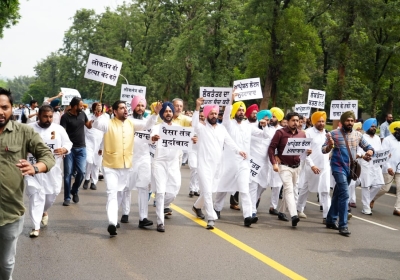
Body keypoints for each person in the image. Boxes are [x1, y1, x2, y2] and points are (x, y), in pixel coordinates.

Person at [0, 88, 55, 280]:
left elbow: (47, 156)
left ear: (10, 109)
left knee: (5, 264)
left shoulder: (23, 132)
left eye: (4, 107)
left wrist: (36, 167)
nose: (0, 111)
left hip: (9, 212)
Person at [92, 100, 160, 236]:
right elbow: (96, 124)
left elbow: (147, 124)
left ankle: (115, 218)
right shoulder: (108, 123)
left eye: (126, 108)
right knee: (111, 192)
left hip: (125, 166)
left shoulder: (131, 123)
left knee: (119, 191)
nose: (125, 110)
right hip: (110, 165)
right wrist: (97, 115)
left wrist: (155, 114)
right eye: (122, 108)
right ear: (115, 111)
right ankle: (112, 222)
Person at [214, 94, 270, 227]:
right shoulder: (228, 123)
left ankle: (248, 216)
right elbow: (227, 113)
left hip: (244, 164)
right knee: (223, 187)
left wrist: (265, 125)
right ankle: (216, 208)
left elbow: (265, 136)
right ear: (234, 111)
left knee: (244, 189)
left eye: (243, 110)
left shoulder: (249, 126)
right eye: (239, 110)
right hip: (229, 162)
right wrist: (231, 99)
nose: (241, 112)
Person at [192, 99, 246, 229]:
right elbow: (194, 124)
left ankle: (196, 206)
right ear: (206, 115)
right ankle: (211, 217)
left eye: (216, 113)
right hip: (204, 165)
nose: (214, 116)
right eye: (211, 113)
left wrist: (239, 151)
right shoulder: (201, 127)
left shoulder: (222, 129)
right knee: (207, 191)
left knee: (210, 190)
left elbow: (229, 142)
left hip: (217, 166)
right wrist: (198, 107)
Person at [322, 111, 374, 236]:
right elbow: (323, 150)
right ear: (342, 121)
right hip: (338, 167)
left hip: (351, 169)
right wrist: (329, 146)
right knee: (345, 194)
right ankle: (343, 225)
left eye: (352, 121)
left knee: (338, 194)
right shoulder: (333, 134)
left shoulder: (358, 135)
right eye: (347, 120)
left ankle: (330, 220)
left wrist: (370, 152)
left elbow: (370, 147)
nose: (350, 123)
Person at [25, 105, 72, 237]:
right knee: (36, 196)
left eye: (50, 116)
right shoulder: (29, 128)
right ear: (38, 115)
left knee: (51, 197)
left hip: (53, 171)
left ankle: (44, 211)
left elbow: (69, 143)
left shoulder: (59, 129)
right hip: (33, 169)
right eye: (45, 116)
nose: (48, 119)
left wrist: (64, 149)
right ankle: (35, 227)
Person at [118, 96, 158, 228]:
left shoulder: (149, 121)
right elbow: (146, 126)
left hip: (144, 158)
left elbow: (152, 138)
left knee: (143, 187)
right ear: (133, 106)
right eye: (138, 105)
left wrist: (154, 139)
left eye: (142, 105)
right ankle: (125, 212)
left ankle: (143, 217)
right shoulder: (127, 121)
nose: (140, 108)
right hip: (129, 158)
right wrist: (155, 115)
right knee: (126, 187)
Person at [268, 112, 311, 227]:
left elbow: (303, 151)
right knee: (289, 189)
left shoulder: (302, 134)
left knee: (290, 190)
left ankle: (281, 212)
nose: (295, 123)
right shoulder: (280, 133)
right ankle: (294, 215)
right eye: (293, 120)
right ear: (287, 121)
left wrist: (307, 151)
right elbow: (271, 149)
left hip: (297, 167)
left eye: (297, 120)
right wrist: (274, 163)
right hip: (284, 166)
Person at [150, 102, 183, 232]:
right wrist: (153, 138)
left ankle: (162, 205)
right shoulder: (156, 127)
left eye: (170, 111)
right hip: (159, 163)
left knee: (174, 190)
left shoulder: (178, 128)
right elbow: (150, 140)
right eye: (166, 111)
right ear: (162, 113)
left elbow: (186, 143)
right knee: (160, 191)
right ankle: (160, 222)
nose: (168, 113)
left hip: (173, 163)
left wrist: (193, 140)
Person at [296, 112, 331, 224]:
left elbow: (329, 149)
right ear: (314, 121)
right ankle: (298, 208)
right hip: (311, 166)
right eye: (319, 121)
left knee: (325, 191)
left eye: (323, 121)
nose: (321, 123)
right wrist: (312, 165)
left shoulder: (327, 134)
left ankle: (327, 216)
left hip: (325, 167)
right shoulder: (308, 133)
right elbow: (305, 151)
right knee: (306, 188)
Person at [60, 97, 93, 206]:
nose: (83, 107)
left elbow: (88, 125)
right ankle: (67, 198)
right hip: (69, 150)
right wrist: (63, 148)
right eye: (80, 105)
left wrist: (93, 121)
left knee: (81, 172)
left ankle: (74, 190)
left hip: (82, 148)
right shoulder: (65, 117)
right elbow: (62, 133)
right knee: (68, 174)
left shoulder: (83, 114)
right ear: (74, 106)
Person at [371, 121, 400, 216]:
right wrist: (388, 167)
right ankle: (371, 198)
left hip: (399, 169)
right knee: (385, 188)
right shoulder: (387, 140)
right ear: (395, 131)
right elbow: (384, 155)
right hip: (389, 169)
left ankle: (397, 208)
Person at [248, 110, 273, 218]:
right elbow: (262, 134)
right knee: (252, 186)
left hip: (265, 164)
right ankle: (252, 210)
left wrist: (265, 126)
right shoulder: (252, 128)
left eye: (267, 120)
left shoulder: (271, 131)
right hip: (253, 162)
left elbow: (267, 136)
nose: (265, 121)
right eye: (263, 119)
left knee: (262, 185)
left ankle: (253, 202)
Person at [356, 118, 383, 215]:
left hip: (376, 165)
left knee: (379, 184)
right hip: (365, 164)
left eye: (375, 126)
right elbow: (359, 151)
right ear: (367, 127)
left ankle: (366, 202)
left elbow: (380, 151)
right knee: (366, 185)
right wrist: (362, 155)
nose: (374, 128)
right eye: (372, 126)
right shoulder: (362, 137)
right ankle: (366, 207)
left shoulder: (377, 138)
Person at [82, 102, 104, 191]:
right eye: (97, 108)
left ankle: (94, 182)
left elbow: (106, 134)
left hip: (99, 144)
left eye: (100, 108)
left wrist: (101, 147)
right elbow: (84, 130)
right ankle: (87, 178)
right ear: (94, 109)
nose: (99, 109)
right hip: (88, 143)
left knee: (96, 164)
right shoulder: (88, 117)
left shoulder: (105, 119)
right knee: (89, 161)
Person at [267, 107, 284, 215]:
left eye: (273, 117)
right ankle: (253, 204)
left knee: (277, 184)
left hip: (277, 160)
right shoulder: (264, 128)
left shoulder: (282, 130)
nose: (271, 119)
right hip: (264, 159)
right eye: (270, 116)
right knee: (261, 184)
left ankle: (273, 206)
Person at [188, 110, 203, 197]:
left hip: (201, 151)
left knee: (199, 170)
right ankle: (191, 188)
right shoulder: (192, 126)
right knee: (194, 168)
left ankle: (196, 189)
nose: (201, 117)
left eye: (202, 116)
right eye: (199, 116)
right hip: (192, 150)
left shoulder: (206, 127)